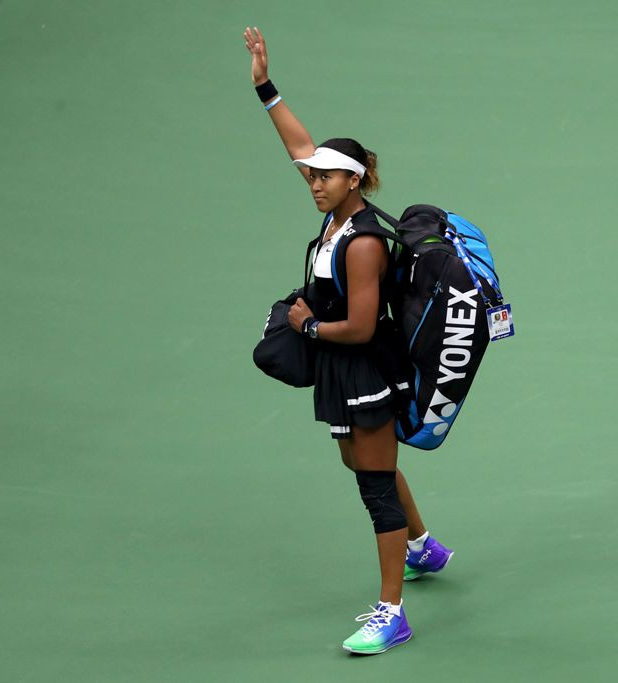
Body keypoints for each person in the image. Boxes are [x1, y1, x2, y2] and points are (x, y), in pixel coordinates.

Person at [242, 26, 454, 655]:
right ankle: (423, 547)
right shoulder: (334, 218)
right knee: (363, 462)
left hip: (362, 364)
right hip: (341, 368)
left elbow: (361, 327)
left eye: (327, 178)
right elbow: (301, 146)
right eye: (312, 176)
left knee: (374, 484)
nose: (314, 181)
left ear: (353, 181)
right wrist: (265, 88)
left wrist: (305, 326)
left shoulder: (361, 242)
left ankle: (393, 612)